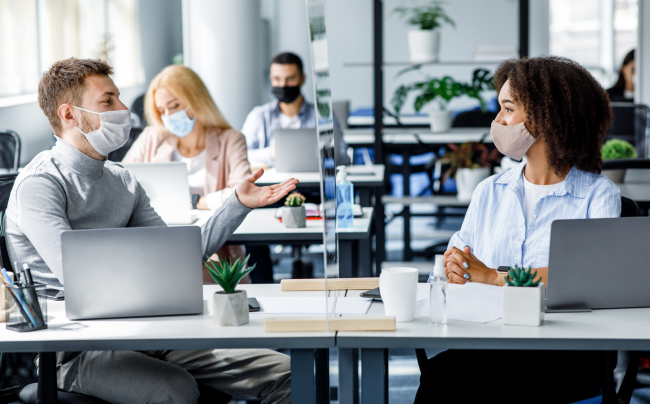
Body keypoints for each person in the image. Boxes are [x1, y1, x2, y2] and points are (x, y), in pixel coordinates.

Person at [6, 57, 297, 404]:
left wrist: (237, 203)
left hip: (147, 332)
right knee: (175, 390)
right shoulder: (40, 184)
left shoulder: (122, 179)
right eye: (108, 101)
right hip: (73, 351)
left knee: (288, 374)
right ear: (69, 114)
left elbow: (177, 254)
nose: (124, 109)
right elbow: (81, 281)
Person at [415, 56, 620, 404]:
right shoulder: (489, 191)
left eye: (508, 109)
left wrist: (495, 276)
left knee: (446, 380)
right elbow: (460, 267)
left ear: (546, 116)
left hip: (566, 354)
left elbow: (589, 280)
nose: (498, 121)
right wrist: (455, 267)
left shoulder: (598, 195)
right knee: (443, 375)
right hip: (492, 342)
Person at [123, 65, 250, 279]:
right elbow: (120, 182)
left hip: (214, 247)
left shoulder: (231, 139)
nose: (168, 116)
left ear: (195, 100)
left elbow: (242, 193)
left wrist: (197, 201)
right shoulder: (151, 137)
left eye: (173, 106)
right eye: (162, 111)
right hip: (158, 239)